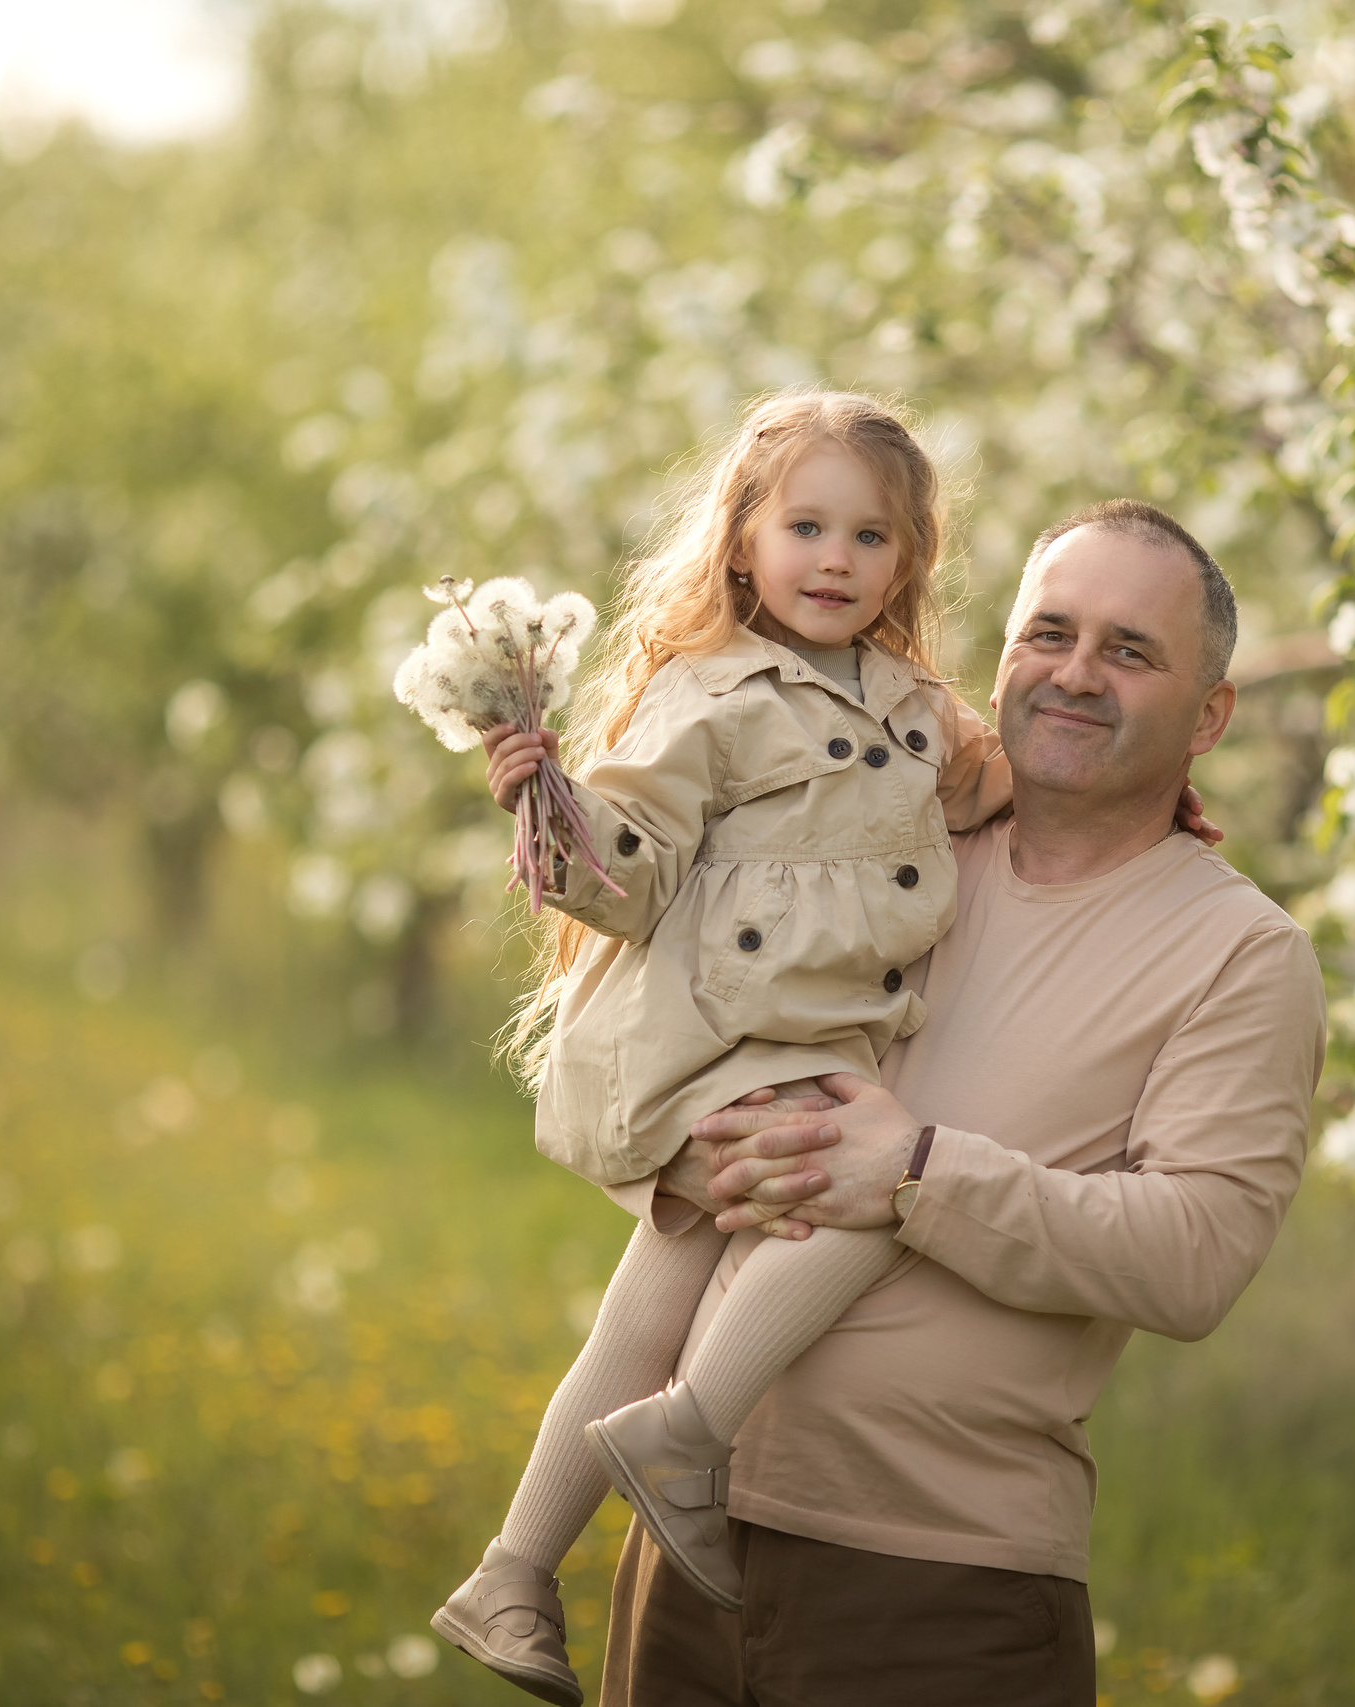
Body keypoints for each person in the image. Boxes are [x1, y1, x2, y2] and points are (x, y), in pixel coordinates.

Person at [595, 500, 1329, 1706]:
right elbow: (683, 1019)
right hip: (688, 1532)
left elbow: (1193, 1260)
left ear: (1209, 716)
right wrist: (694, 1159)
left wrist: (921, 1172)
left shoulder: (1237, 954)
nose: (1075, 675)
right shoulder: (873, 839)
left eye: (1129, 652)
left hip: (940, 1585)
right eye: (1049, 633)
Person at [426, 390, 1008, 1706]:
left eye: (871, 536)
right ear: (742, 539)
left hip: (799, 1040)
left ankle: (513, 1570)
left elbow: (983, 787)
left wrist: (1126, 789)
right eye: (806, 524)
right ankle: (686, 1437)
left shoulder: (918, 703)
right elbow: (621, 872)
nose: (836, 558)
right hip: (713, 1040)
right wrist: (542, 801)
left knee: (648, 1307)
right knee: (870, 1194)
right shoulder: (711, 695)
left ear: (908, 561)